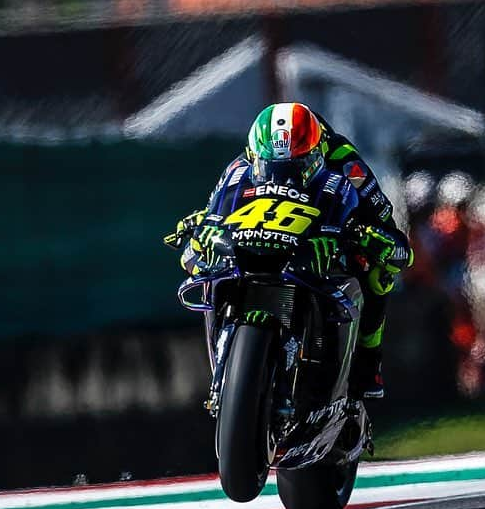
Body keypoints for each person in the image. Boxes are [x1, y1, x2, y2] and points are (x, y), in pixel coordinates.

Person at [167, 102, 413, 399]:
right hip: (259, 241)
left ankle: (368, 362)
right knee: (195, 259)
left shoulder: (347, 163)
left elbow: (391, 232)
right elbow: (216, 210)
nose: (279, 177)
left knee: (377, 272)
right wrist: (201, 227)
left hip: (321, 242)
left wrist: (373, 239)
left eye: (293, 168)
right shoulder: (240, 164)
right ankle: (226, 357)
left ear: (316, 150)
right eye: (269, 168)